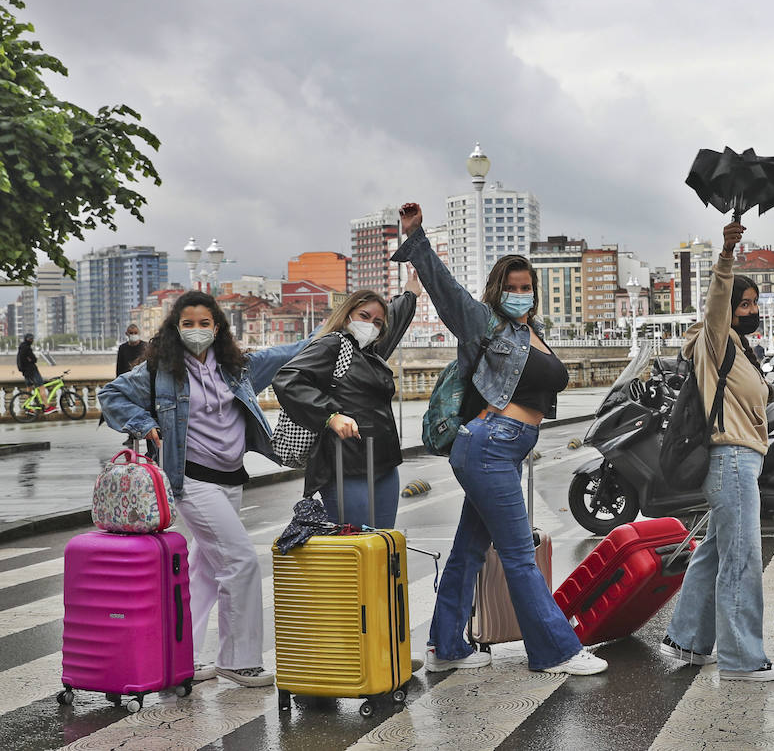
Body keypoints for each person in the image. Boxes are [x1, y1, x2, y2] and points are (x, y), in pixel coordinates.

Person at [393, 202, 606, 678]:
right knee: (518, 556)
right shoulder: (487, 325)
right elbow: (446, 293)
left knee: (470, 549)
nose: (518, 294)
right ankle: (556, 650)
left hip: (505, 448)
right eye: (510, 288)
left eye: (525, 287)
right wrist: (418, 238)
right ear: (497, 292)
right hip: (489, 444)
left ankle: (446, 644)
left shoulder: (535, 332)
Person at [98, 291, 312, 688]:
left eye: (204, 323)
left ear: (217, 327)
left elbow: (292, 351)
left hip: (231, 478)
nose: (196, 331)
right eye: (188, 323)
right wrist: (144, 424)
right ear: (176, 328)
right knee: (240, 563)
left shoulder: (237, 368)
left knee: (203, 573)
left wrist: (338, 330)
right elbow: (110, 395)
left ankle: (183, 657)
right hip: (191, 480)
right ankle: (238, 660)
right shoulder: (160, 370)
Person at [661, 220, 774, 682]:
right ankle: (741, 659)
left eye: (754, 304)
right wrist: (727, 255)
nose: (750, 310)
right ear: (728, 309)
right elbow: (715, 301)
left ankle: (688, 640)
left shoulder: (740, 348)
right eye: (744, 304)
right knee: (742, 558)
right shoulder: (714, 341)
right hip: (731, 459)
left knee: (715, 550)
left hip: (740, 460)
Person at [273, 279, 419, 528]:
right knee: (357, 548)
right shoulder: (333, 344)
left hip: (383, 463)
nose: (370, 325)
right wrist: (331, 416)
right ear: (347, 314)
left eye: (377, 323)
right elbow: (288, 379)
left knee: (382, 545)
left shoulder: (371, 353)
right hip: (345, 465)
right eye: (364, 316)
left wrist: (410, 294)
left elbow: (393, 320)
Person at [16, 333, 52, 411]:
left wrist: (30, 359)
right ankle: (47, 407)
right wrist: (32, 359)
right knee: (41, 387)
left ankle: (27, 406)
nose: (31, 340)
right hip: (32, 370)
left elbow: (23, 359)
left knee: (29, 388)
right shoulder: (27, 348)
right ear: (27, 339)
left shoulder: (21, 347)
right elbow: (34, 359)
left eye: (32, 339)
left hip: (25, 372)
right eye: (30, 339)